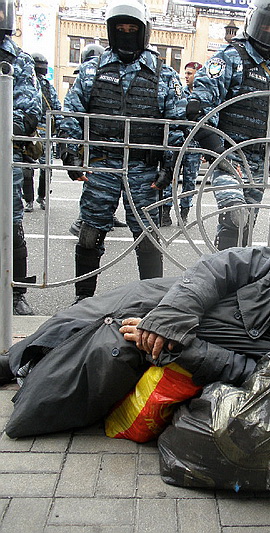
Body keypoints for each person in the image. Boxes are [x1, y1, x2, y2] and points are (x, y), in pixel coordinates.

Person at [0, 246, 270, 440]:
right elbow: (222, 266)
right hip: (175, 299)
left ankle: (28, 372)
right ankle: (19, 359)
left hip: (179, 349)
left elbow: (239, 368)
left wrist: (176, 346)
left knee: (97, 355)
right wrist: (173, 316)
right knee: (80, 316)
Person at [59, 0, 185, 302]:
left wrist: (170, 168)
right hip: (102, 165)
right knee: (90, 235)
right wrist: (71, 154)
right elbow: (71, 114)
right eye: (120, 29)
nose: (126, 33)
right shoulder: (92, 71)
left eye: (132, 29)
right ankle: (83, 300)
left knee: (147, 237)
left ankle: (153, 303)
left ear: (143, 32)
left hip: (144, 170)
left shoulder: (164, 75)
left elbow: (177, 125)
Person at [187, 0, 270, 250]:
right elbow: (199, 104)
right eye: (265, 25)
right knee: (235, 217)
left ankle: (232, 278)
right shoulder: (231, 57)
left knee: (245, 230)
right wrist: (215, 149)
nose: (269, 31)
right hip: (230, 157)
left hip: (258, 162)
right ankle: (219, 276)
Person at [0, 0, 42, 315]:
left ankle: (16, 294)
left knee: (12, 225)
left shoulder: (19, 60)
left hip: (5, 156)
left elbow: (29, 111)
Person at [68, 43, 128, 235]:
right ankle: (81, 222)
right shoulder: (89, 73)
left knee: (98, 188)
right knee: (93, 190)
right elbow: (72, 111)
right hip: (93, 145)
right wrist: (69, 148)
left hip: (96, 145)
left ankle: (101, 218)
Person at [161, 61, 203, 227]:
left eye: (189, 73)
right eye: (185, 73)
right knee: (171, 178)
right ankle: (165, 212)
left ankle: (183, 214)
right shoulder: (179, 93)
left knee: (189, 181)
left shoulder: (203, 96)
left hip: (193, 147)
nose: (186, 76)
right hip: (177, 144)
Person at [21, 53, 62, 212]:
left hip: (38, 133)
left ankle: (35, 198)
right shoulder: (35, 84)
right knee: (36, 168)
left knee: (38, 168)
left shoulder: (40, 85)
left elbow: (55, 108)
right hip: (37, 134)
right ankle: (34, 199)